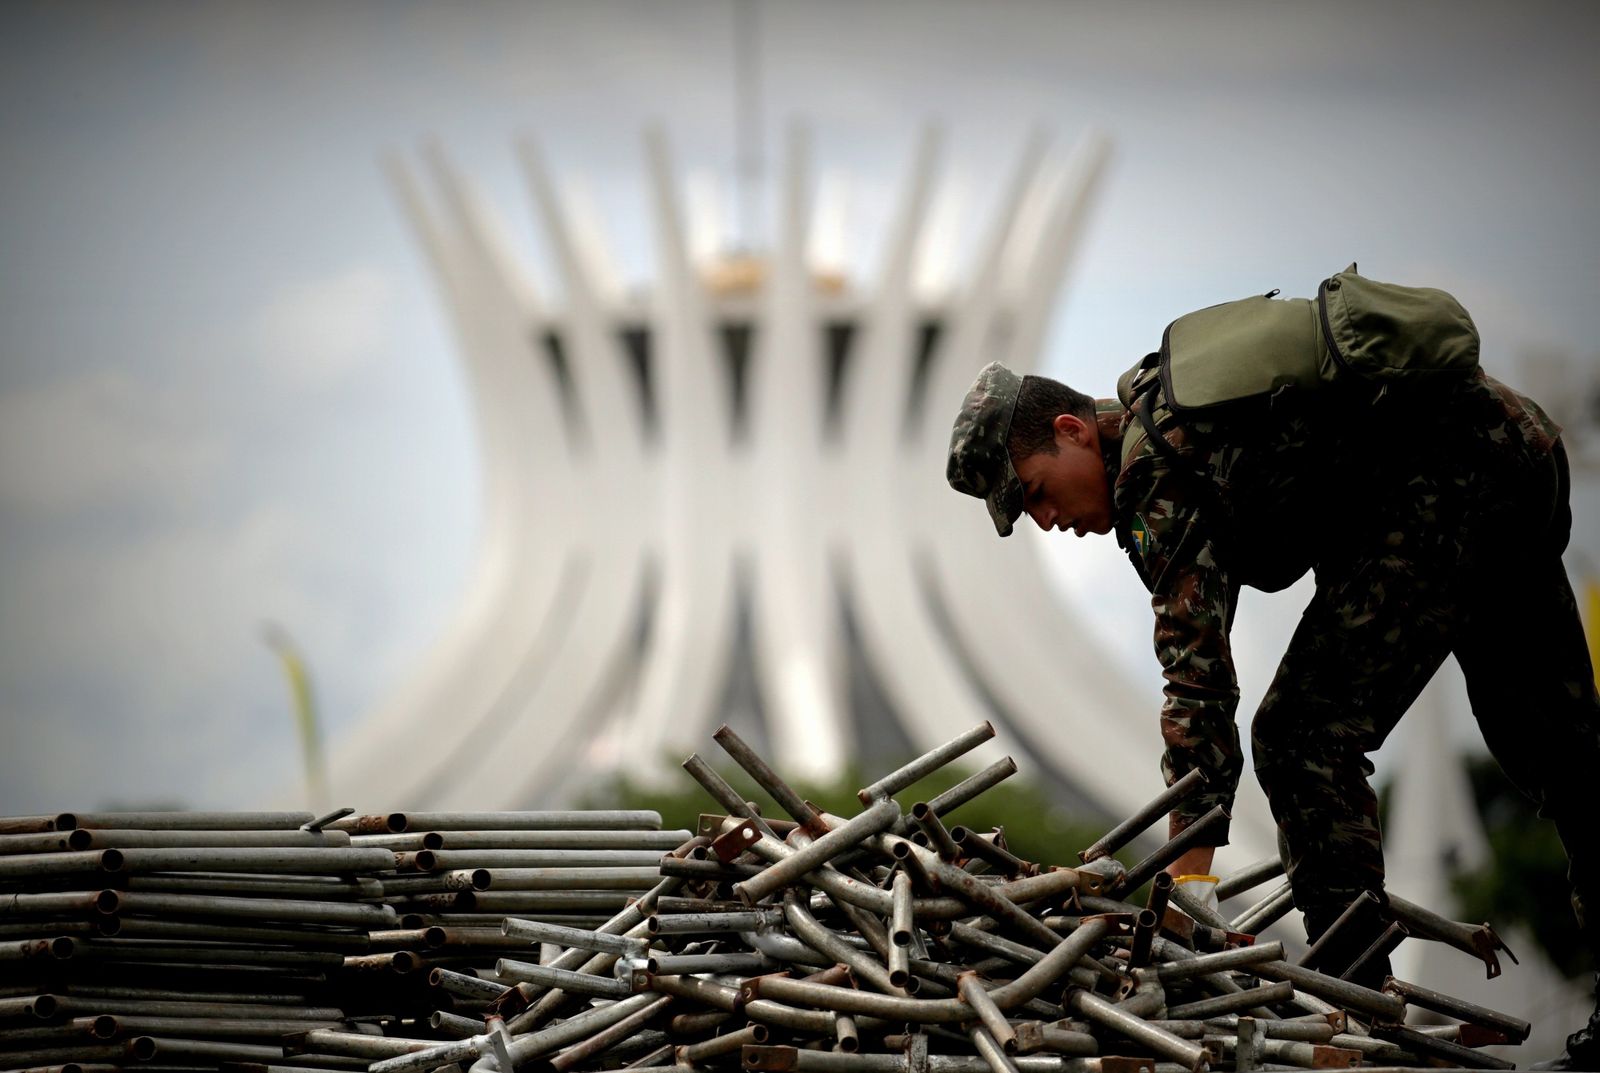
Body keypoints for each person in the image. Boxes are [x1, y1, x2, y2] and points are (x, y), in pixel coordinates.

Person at [945, 275, 1599, 1068]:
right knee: (1569, 758)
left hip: (1451, 488)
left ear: (1073, 429)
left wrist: (1188, 887)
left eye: (1038, 494)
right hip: (1512, 453)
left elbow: (1198, 687)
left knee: (1300, 736)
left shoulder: (1154, 474)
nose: (1051, 522)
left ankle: (1363, 1016)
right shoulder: (1170, 415)